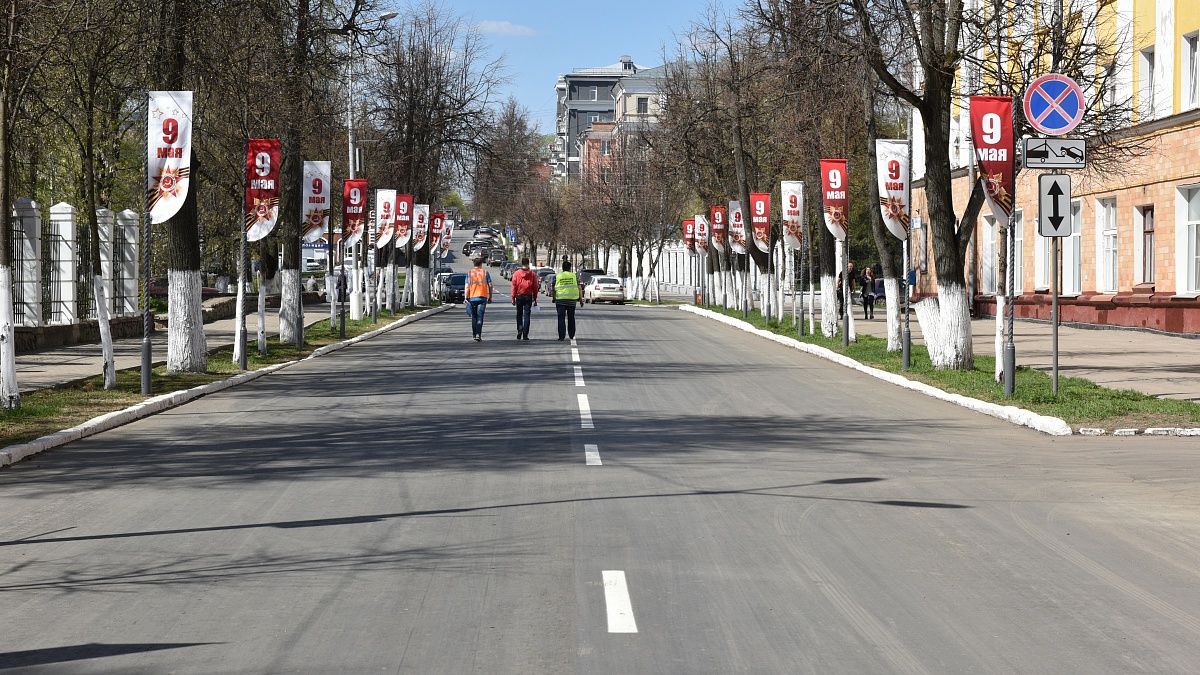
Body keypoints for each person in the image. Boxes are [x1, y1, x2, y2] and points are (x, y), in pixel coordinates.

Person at [511, 257, 539, 340]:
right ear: (528, 264)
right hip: (528, 296)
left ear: (522, 264)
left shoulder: (516, 273)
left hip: (519, 295)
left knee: (519, 314)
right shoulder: (532, 274)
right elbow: (535, 287)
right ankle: (525, 334)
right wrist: (535, 298)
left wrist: (513, 297)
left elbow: (514, 286)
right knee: (527, 315)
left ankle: (520, 328)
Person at [466, 257, 493, 341]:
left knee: (474, 317)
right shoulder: (485, 273)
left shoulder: (469, 273)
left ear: (474, 264)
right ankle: (478, 334)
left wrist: (466, 298)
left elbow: (467, 287)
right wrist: (490, 297)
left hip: (472, 298)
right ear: (481, 264)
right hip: (482, 298)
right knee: (480, 316)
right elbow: (490, 285)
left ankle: (474, 334)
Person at [553, 259, 580, 341]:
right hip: (571, 301)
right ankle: (571, 335)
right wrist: (581, 299)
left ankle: (561, 336)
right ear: (570, 268)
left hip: (560, 300)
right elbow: (579, 287)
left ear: (562, 268)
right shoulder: (574, 276)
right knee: (571, 317)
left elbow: (553, 288)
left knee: (561, 318)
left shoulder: (558, 276)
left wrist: (554, 298)